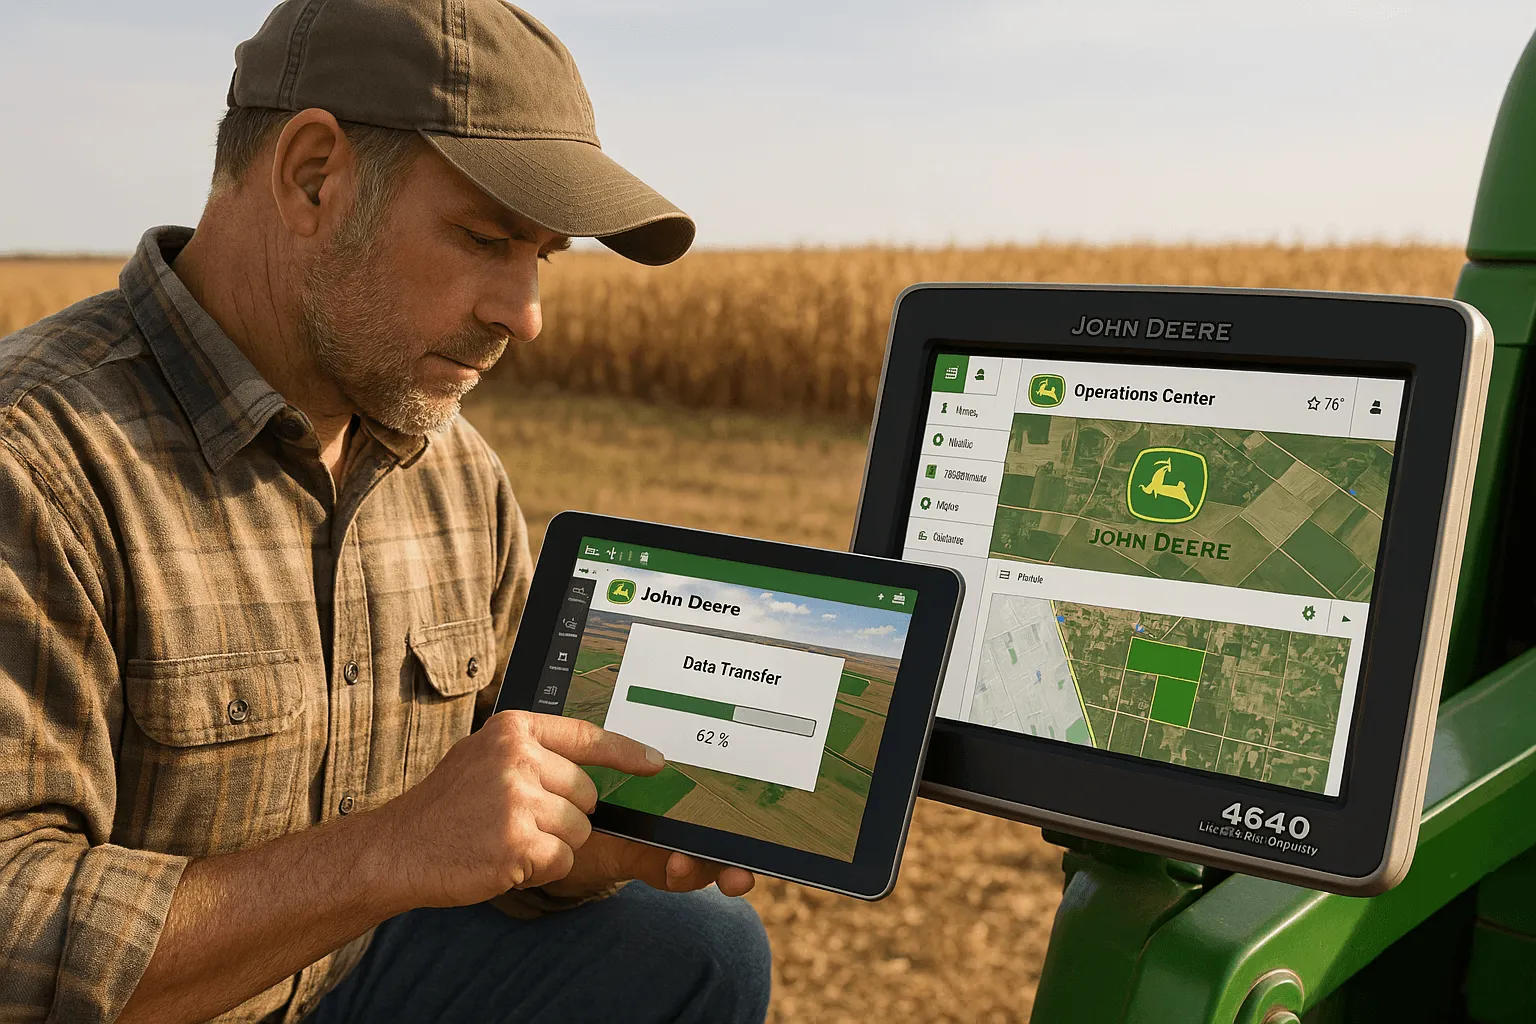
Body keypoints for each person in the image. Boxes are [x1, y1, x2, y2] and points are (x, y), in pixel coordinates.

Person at [0, 1, 772, 1022]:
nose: (525, 313)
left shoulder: (455, 472)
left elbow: (492, 797)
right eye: (487, 237)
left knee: (697, 948)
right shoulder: (41, 460)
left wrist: (574, 848)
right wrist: (389, 850)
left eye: (542, 256)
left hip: (346, 977)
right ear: (314, 177)